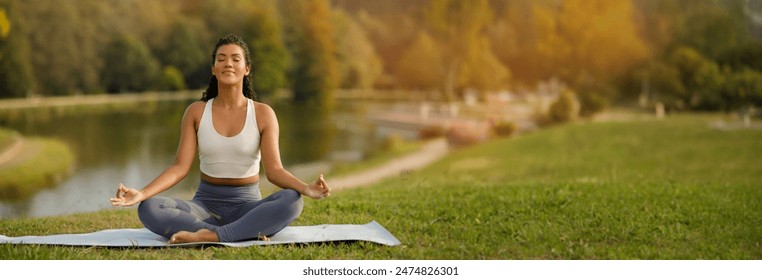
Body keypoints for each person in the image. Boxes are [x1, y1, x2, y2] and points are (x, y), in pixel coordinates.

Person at [109, 34, 330, 244]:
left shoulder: (263, 114)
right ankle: (240, 231)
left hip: (248, 206)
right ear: (214, 69)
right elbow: (179, 167)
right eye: (221, 59)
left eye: (236, 59)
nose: (228, 64)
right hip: (203, 207)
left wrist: (305, 188)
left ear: (246, 69)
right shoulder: (196, 112)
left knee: (292, 201)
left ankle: (211, 236)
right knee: (149, 208)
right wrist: (142, 193)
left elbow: (274, 171)